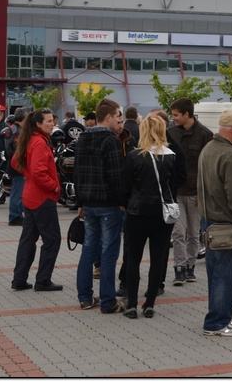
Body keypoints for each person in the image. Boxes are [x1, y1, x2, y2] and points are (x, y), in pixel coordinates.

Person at [197, 109, 232, 337]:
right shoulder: (230, 155)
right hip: (227, 224)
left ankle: (221, 316)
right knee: (227, 275)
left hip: (209, 221)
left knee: (216, 273)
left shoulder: (209, 149)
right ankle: (217, 322)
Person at [119, 115, 181, 319]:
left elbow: (126, 186)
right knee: (158, 259)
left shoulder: (135, 155)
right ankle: (150, 304)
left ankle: (131, 305)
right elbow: (175, 184)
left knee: (133, 259)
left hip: (137, 212)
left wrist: (126, 203)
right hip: (162, 216)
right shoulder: (171, 155)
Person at [73, 98, 126, 313]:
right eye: (117, 116)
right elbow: (117, 176)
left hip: (88, 202)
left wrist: (79, 202)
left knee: (88, 250)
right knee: (108, 253)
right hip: (108, 204)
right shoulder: (111, 140)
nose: (118, 121)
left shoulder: (82, 138)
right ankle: (107, 301)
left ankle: (85, 298)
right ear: (109, 117)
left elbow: (76, 173)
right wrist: (123, 201)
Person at [10, 108, 64, 292]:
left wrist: (29, 175)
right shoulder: (39, 142)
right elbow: (39, 171)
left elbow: (15, 162)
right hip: (42, 199)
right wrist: (54, 186)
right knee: (52, 240)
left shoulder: (30, 139)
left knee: (28, 240)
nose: (52, 123)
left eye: (52, 120)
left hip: (31, 197)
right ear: (38, 124)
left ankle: (19, 279)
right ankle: (43, 280)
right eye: (49, 121)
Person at [167, 97, 213, 287]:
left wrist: (203, 193)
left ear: (187, 114)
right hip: (176, 192)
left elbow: (208, 167)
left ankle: (190, 267)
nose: (173, 118)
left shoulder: (205, 135)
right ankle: (179, 269)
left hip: (195, 193)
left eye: (176, 115)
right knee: (178, 232)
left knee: (194, 233)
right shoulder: (170, 133)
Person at [4, 108, 28, 226]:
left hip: (16, 163)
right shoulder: (16, 130)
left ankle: (18, 214)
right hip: (18, 164)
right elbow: (10, 149)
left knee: (19, 190)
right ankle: (15, 216)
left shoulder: (13, 129)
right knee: (17, 191)